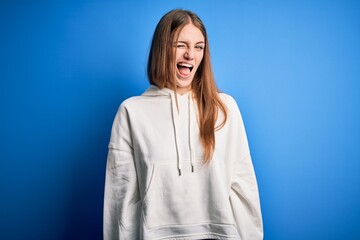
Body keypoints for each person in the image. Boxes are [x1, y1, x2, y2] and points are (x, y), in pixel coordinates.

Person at [103, 9, 263, 240]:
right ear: (162, 48)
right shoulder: (131, 112)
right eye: (181, 45)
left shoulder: (224, 108)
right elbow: (120, 200)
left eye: (199, 47)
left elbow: (244, 189)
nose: (190, 55)